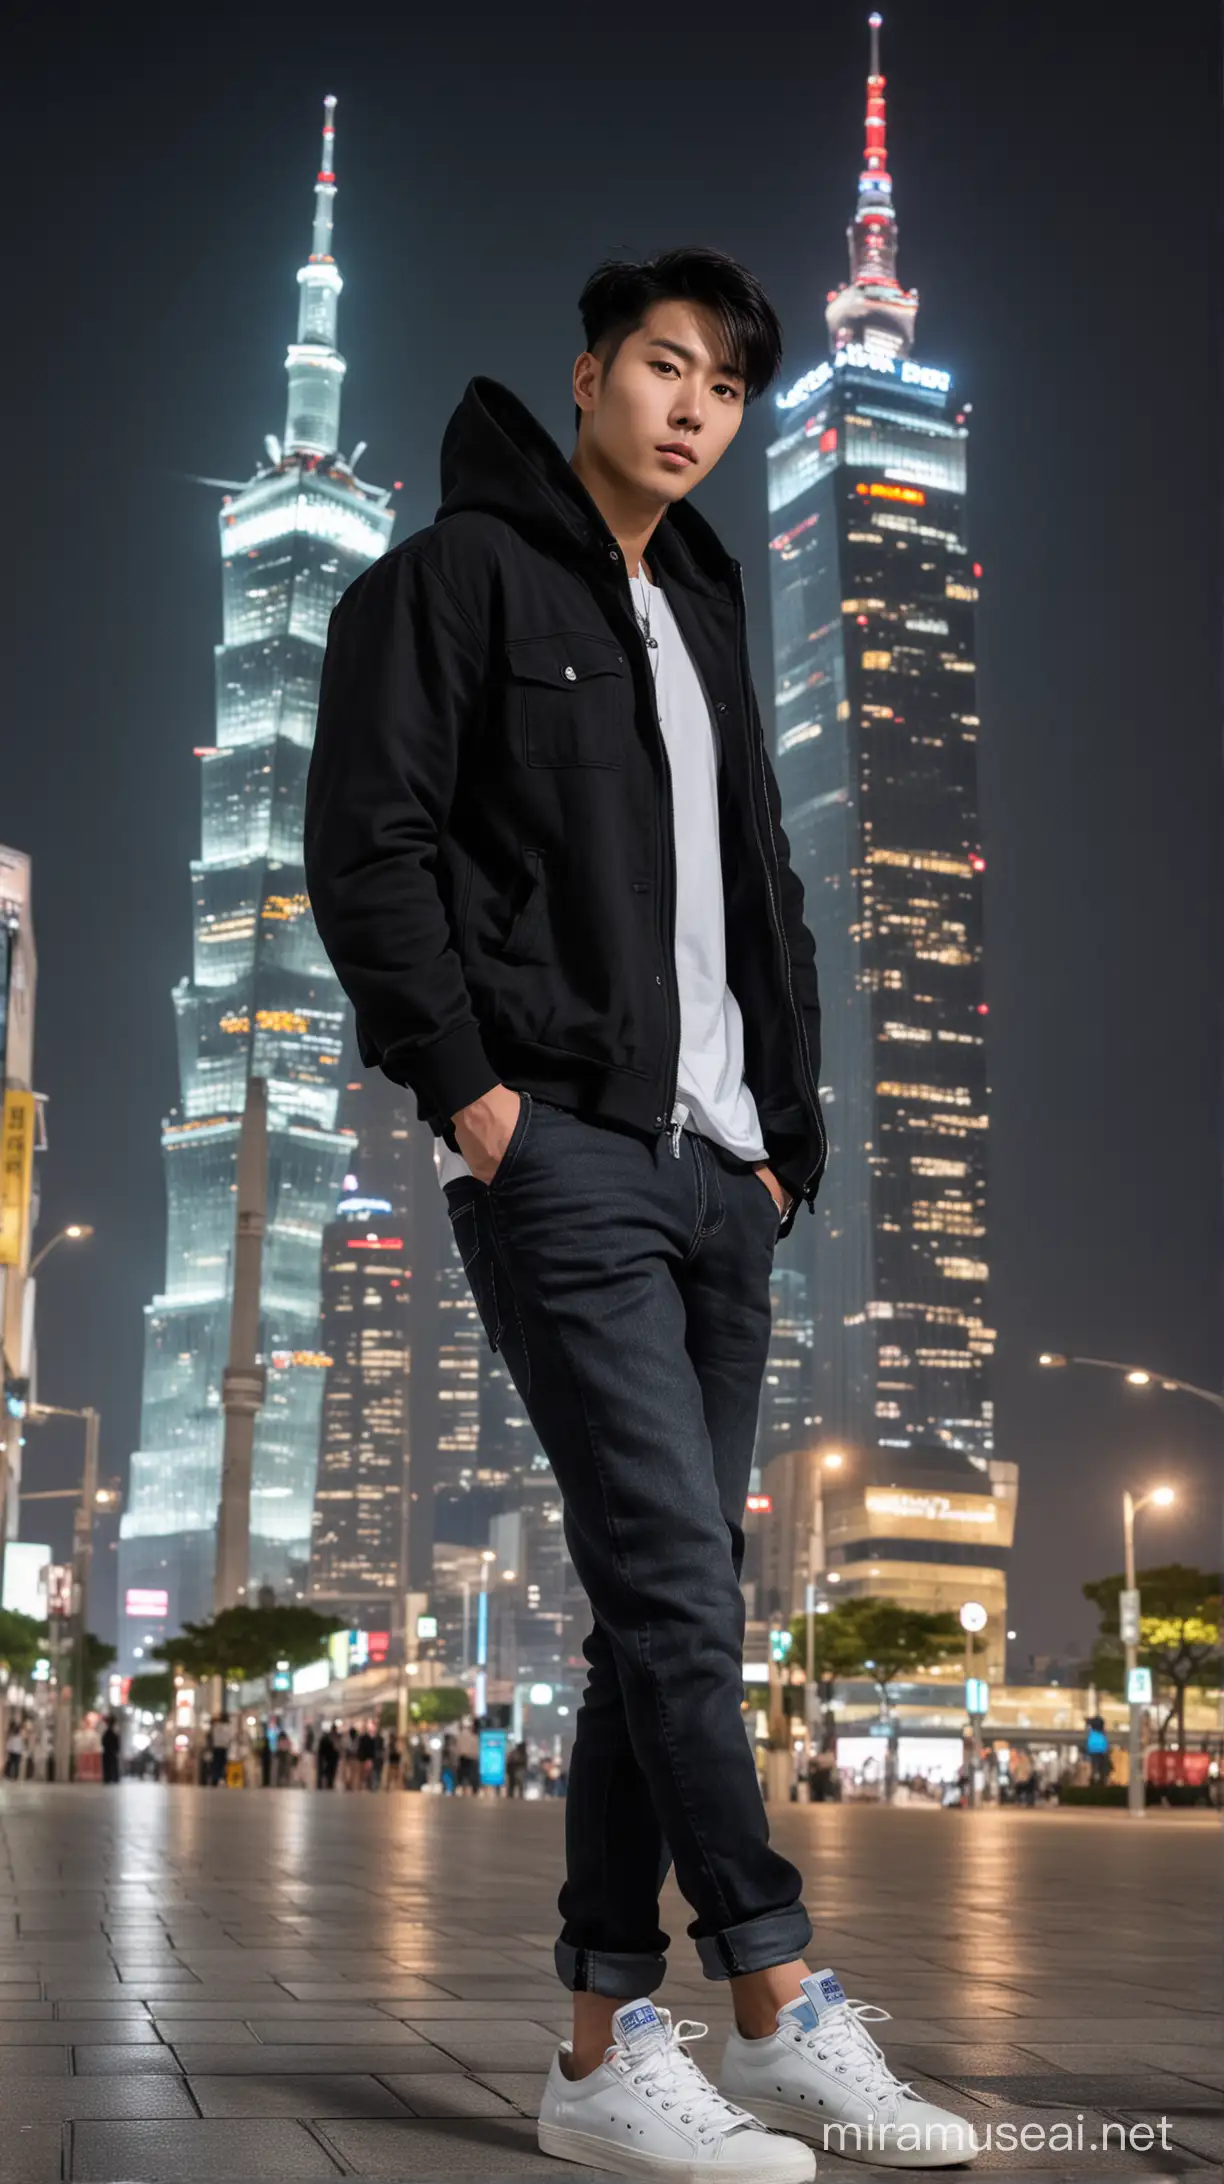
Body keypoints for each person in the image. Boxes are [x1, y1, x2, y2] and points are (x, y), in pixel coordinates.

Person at [305, 247, 975, 2180]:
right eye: (660, 366)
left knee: (644, 1614)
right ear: (585, 372)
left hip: (718, 1178)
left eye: (722, 386)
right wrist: (475, 1096)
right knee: (678, 1581)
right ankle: (778, 1990)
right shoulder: (447, 579)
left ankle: (601, 2047)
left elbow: (759, 890)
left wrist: (791, 1139)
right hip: (562, 1155)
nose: (690, 408)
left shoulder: (700, 604)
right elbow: (370, 842)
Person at [210, 1712, 232, 1787]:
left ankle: (215, 1780)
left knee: (217, 1765)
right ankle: (221, 1779)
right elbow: (229, 1738)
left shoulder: (216, 1726)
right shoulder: (227, 1727)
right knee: (222, 1764)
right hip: (223, 1748)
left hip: (217, 1748)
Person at [100, 1714, 121, 1786]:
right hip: (112, 1752)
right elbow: (117, 1745)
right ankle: (113, 1777)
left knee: (108, 1765)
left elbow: (103, 1743)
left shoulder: (106, 1734)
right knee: (113, 1765)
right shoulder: (113, 1734)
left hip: (107, 1752)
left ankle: (108, 1777)